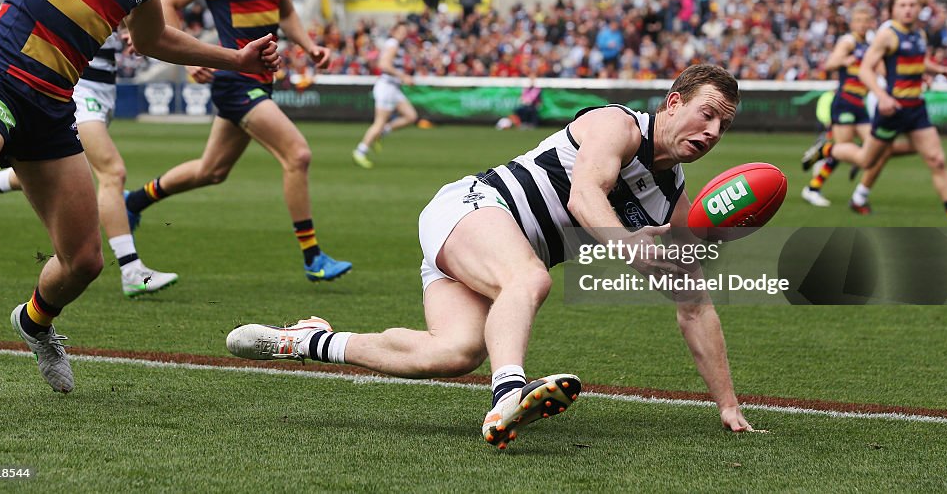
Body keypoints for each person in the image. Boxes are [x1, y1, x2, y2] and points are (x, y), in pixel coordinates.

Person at [228, 65, 754, 448]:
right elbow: (584, 195)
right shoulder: (617, 125)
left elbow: (695, 304)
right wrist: (627, 244)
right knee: (528, 279)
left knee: (454, 353)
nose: (711, 133)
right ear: (673, 102)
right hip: (471, 208)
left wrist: (727, 403)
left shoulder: (673, 199)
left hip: (481, 251)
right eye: (706, 114)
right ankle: (507, 398)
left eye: (722, 127)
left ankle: (308, 340)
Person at [0, 0, 281, 393]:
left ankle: (34, 323)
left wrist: (234, 59)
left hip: (53, 105)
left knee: (83, 261)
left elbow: (151, 39)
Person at [123, 0, 351, 282]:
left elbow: (285, 13)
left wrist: (310, 46)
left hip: (263, 80)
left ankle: (135, 201)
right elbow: (170, 2)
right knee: (297, 154)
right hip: (234, 80)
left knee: (212, 170)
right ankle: (313, 256)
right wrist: (189, 58)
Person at [0, 24, 179, 296]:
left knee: (67, 172)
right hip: (79, 88)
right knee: (112, 172)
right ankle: (131, 269)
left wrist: (130, 29)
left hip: (104, 88)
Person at [803, 0, 947, 228]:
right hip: (890, 110)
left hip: (916, 108)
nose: (908, 9)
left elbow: (917, 60)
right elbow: (865, 69)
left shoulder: (919, 34)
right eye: (903, 5)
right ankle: (829, 150)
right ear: (893, 10)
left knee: (936, 159)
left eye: (913, 4)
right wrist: (882, 96)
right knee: (866, 159)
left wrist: (937, 70)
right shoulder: (886, 35)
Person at [800, 5, 912, 212]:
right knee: (845, 149)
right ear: (852, 23)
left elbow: (881, 70)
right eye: (858, 20)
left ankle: (830, 156)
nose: (862, 24)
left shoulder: (868, 44)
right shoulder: (848, 41)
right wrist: (845, 59)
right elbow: (830, 64)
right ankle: (813, 187)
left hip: (859, 103)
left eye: (865, 20)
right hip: (845, 101)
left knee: (871, 148)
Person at [352, 21, 418, 168]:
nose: (403, 35)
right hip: (387, 87)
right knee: (379, 122)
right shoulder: (393, 43)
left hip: (393, 88)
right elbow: (384, 65)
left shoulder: (396, 44)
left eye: (404, 32)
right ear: (394, 32)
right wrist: (403, 76)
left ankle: (380, 134)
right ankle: (360, 151)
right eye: (400, 32)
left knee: (411, 116)